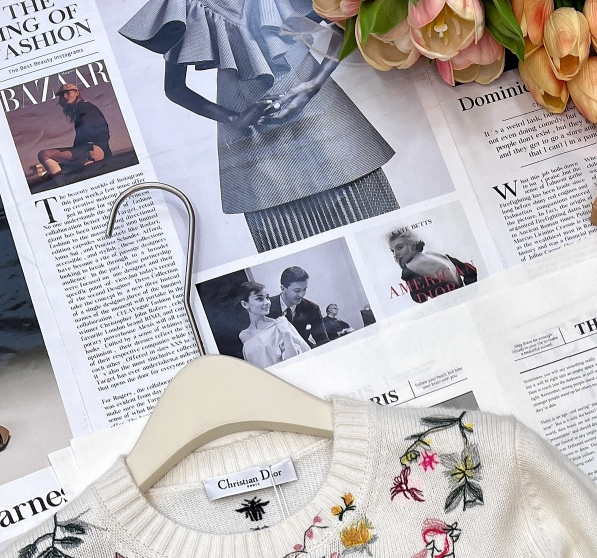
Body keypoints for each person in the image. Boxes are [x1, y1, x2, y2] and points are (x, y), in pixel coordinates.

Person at [119, 0, 398, 251]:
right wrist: (232, 118)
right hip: (253, 141)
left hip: (323, 118)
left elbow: (344, 25)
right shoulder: (183, 5)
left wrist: (314, 84)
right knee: (286, 244)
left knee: (381, 227)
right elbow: (174, 88)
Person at [36, 83, 112, 177]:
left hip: (91, 151)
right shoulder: (83, 108)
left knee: (44, 154)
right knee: (50, 174)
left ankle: (63, 183)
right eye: (62, 94)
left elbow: (88, 133)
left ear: (77, 93)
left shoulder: (85, 108)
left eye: (68, 92)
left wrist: (92, 152)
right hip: (96, 150)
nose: (65, 96)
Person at [388, 228, 478, 304]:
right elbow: (471, 271)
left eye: (399, 247)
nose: (395, 254)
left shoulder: (408, 271)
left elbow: (420, 299)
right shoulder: (435, 255)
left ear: (412, 245)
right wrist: (470, 296)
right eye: (393, 250)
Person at [236, 280, 310, 368]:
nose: (267, 302)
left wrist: (286, 334)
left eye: (267, 298)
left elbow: (295, 362)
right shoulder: (244, 335)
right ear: (245, 304)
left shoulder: (280, 326)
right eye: (259, 299)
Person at [267, 266, 327, 348]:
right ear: (283, 288)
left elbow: (323, 340)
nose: (301, 295)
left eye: (304, 289)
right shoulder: (266, 306)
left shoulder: (312, 309)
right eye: (297, 290)